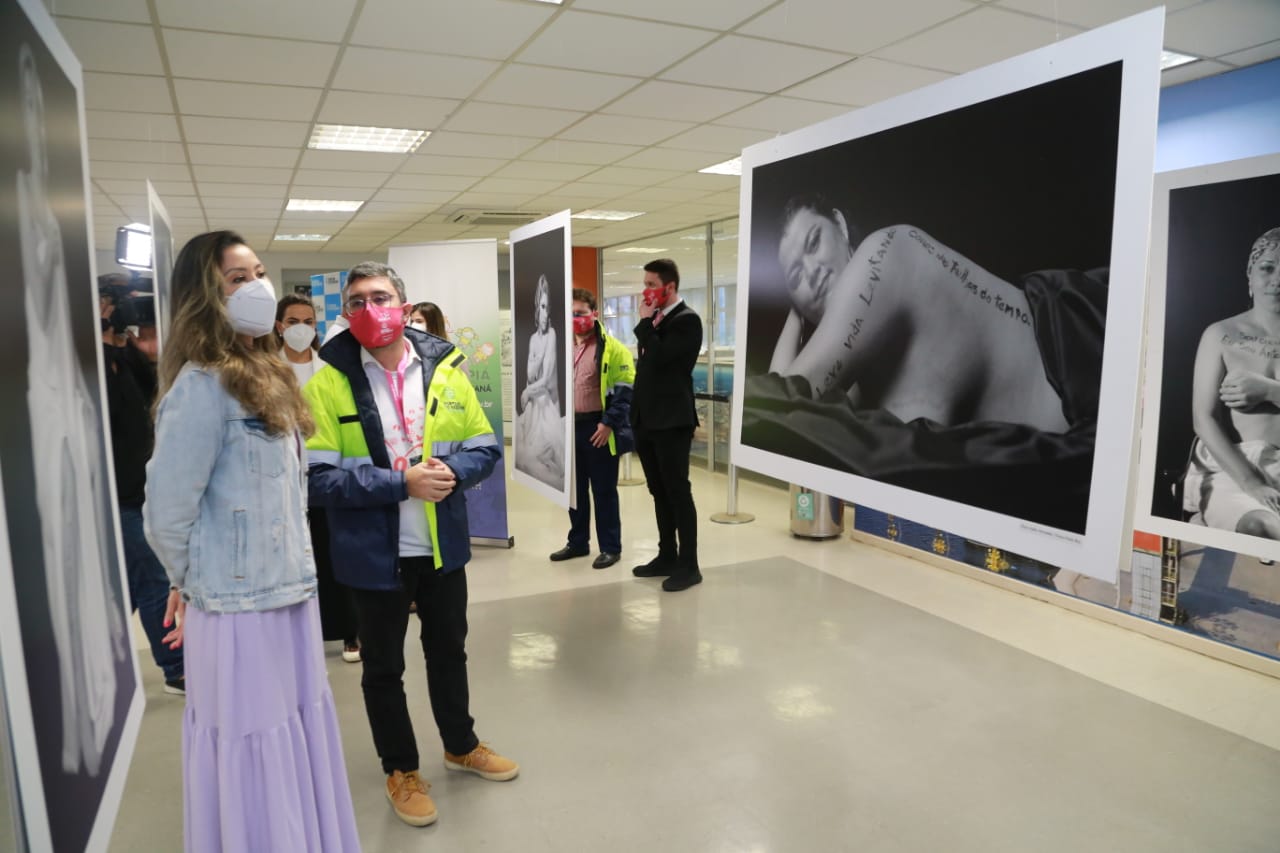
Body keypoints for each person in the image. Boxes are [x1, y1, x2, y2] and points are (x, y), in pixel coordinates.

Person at [144, 231, 361, 852]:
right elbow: (167, 514)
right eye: (238, 278)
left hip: (290, 592)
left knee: (294, 732)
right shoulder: (200, 387)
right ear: (205, 295)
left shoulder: (267, 373)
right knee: (253, 740)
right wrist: (193, 582)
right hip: (238, 608)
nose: (257, 288)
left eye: (259, 272)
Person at [304, 262, 517, 829]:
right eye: (357, 301)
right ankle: (400, 769)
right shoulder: (328, 380)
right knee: (382, 667)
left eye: (381, 297)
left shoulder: (445, 369)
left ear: (402, 303)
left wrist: (447, 469)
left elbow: (484, 446)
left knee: (449, 651)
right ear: (345, 313)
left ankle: (460, 744)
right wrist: (403, 482)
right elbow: (318, 479)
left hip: (441, 547)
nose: (370, 309)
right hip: (374, 555)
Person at [20, 42, 127, 777]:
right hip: (46, 400)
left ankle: (98, 684)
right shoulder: (25, 210)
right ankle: (74, 732)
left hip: (74, 405)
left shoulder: (50, 213)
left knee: (89, 563)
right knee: (67, 556)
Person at [100, 275, 185, 695]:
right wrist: (101, 336)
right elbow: (107, 403)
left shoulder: (127, 356)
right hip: (118, 492)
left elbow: (153, 390)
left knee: (133, 586)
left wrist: (123, 341)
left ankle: (98, 661)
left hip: (142, 486)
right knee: (152, 579)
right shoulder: (93, 360)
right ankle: (175, 669)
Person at [277, 293, 361, 663]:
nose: (300, 329)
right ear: (279, 325)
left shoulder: (330, 367)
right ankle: (297, 635)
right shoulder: (265, 369)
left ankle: (348, 631)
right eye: (293, 321)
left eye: (308, 322)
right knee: (290, 555)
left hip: (325, 472)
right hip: (280, 475)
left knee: (333, 551)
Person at [1186, 227, 1280, 538]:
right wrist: (1252, 483)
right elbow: (1203, 419)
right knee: (1265, 526)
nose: (1277, 280)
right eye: (1267, 268)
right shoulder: (1220, 334)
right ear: (1250, 274)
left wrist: (1268, 390)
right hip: (1237, 468)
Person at [630, 258, 703, 592]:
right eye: (645, 284)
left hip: (672, 421)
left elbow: (664, 363)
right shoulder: (657, 320)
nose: (645, 291)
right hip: (648, 421)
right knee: (658, 490)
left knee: (677, 491)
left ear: (669, 287)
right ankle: (666, 555)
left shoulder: (687, 322)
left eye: (650, 285)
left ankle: (689, 565)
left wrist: (645, 325)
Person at [549, 288, 635, 569]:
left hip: (598, 428)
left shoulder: (613, 349)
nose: (576, 319)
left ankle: (611, 547)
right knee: (574, 492)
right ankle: (578, 543)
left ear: (594, 314)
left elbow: (625, 392)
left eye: (581, 313)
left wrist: (609, 423)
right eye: (571, 314)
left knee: (603, 491)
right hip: (569, 428)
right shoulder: (562, 347)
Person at [515, 274, 565, 486]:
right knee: (523, 456)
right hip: (534, 406)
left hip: (546, 406)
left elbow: (544, 379)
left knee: (536, 457)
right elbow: (530, 374)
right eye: (542, 307)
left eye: (548, 307)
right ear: (537, 308)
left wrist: (528, 391)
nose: (546, 312)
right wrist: (536, 362)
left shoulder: (551, 334)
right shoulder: (532, 339)